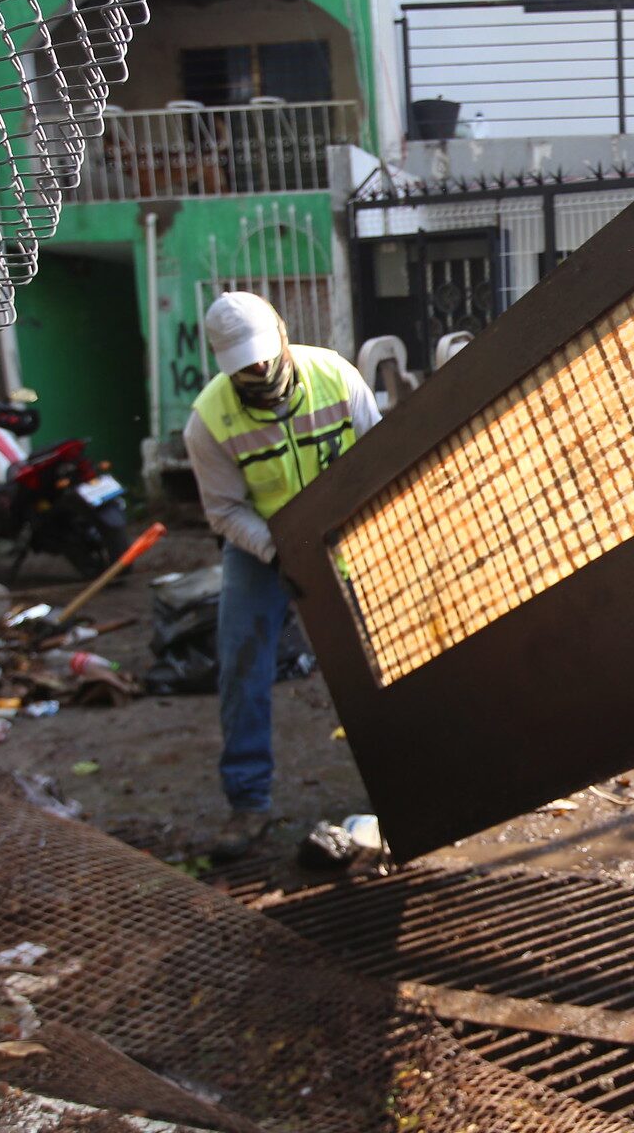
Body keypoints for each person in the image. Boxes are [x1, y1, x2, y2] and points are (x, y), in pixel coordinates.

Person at [184, 292, 380, 858]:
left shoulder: (335, 377)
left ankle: (404, 775)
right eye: (244, 366)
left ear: (282, 336)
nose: (259, 372)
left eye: (264, 357)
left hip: (346, 535)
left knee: (382, 656)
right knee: (241, 661)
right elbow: (225, 510)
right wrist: (278, 553)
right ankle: (248, 801)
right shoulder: (208, 422)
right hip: (263, 547)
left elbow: (376, 456)